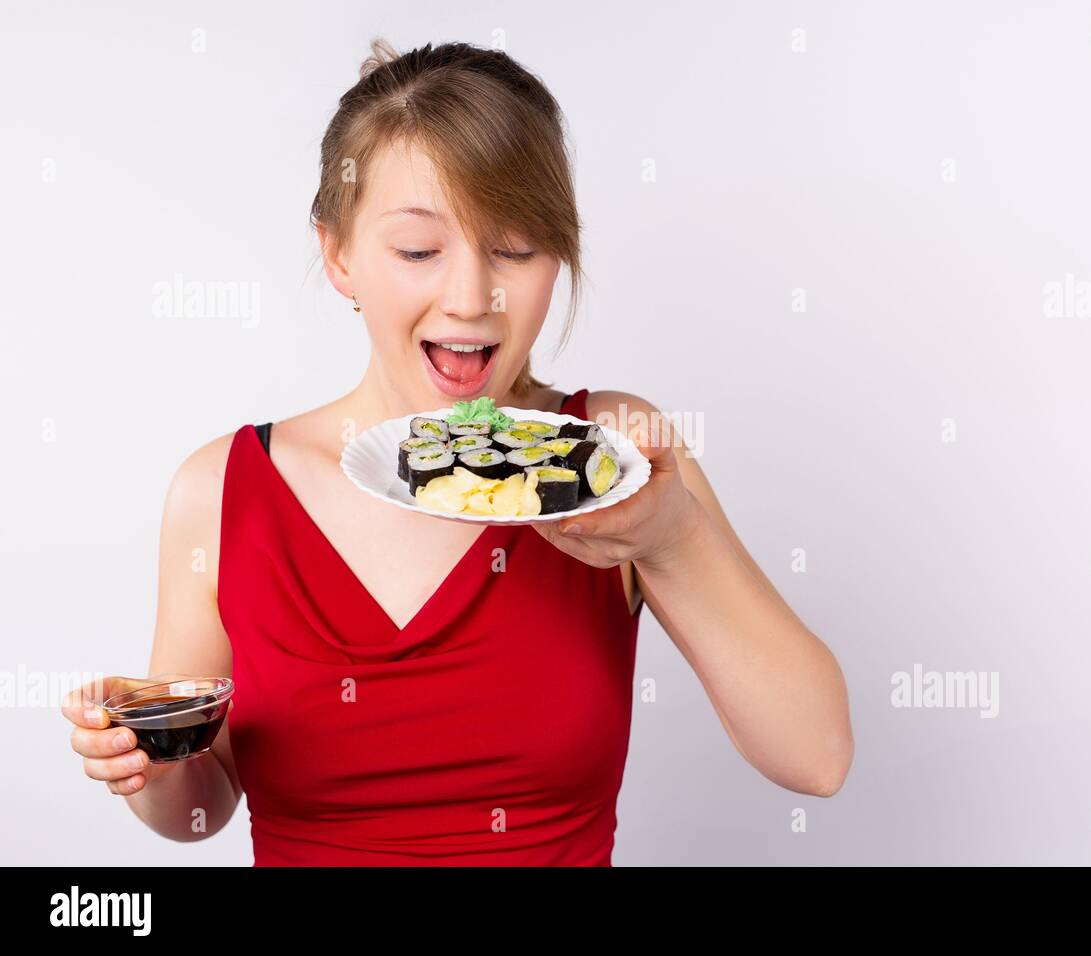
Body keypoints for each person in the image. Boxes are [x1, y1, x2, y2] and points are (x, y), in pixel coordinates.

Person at [63, 39, 852, 865]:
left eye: (515, 247)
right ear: (338, 256)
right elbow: (206, 801)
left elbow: (818, 757)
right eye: (418, 251)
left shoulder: (614, 455)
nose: (474, 297)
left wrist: (674, 538)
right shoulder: (223, 489)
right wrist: (150, 769)